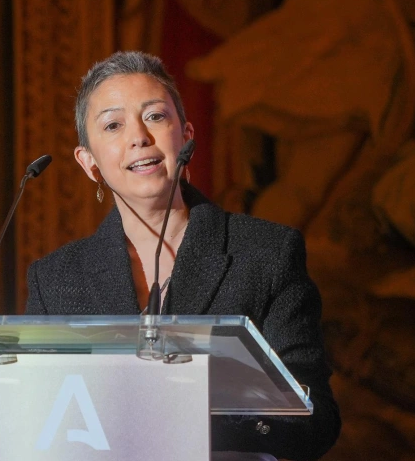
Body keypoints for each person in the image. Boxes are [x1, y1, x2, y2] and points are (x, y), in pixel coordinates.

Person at [25, 51, 340, 460]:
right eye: (113, 125)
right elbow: (39, 420)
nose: (139, 136)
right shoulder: (55, 280)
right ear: (90, 164)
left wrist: (200, 412)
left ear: (186, 136)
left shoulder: (267, 254)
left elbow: (316, 421)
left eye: (155, 116)